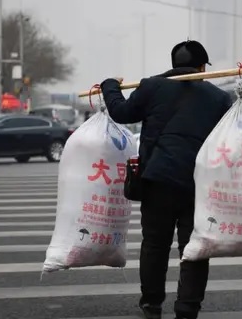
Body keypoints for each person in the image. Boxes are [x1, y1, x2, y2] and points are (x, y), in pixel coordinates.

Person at [100, 40, 232, 319]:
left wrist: (109, 86)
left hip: (156, 179)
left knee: (155, 245)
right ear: (201, 67)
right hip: (198, 183)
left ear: (174, 65)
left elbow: (121, 112)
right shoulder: (219, 98)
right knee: (195, 248)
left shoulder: (151, 86)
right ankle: (187, 308)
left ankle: (151, 303)